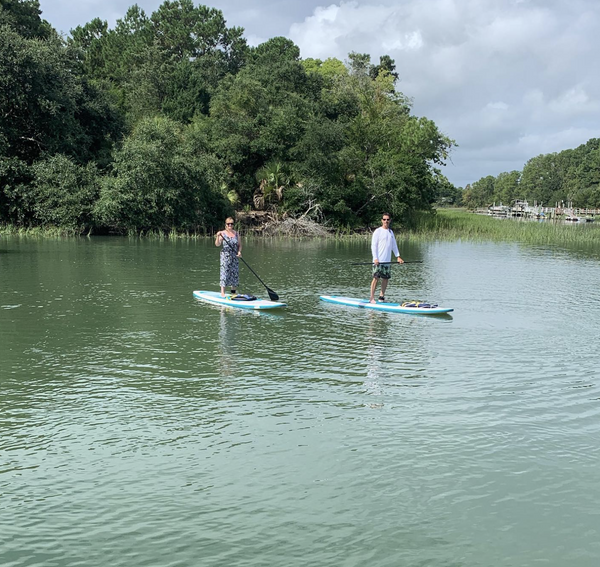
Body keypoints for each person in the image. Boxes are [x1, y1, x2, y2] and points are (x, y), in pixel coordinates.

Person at [369, 213, 403, 303]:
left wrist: (398, 257)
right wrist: (375, 258)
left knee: (385, 278)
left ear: (390, 220)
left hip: (387, 261)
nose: (386, 221)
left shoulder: (391, 232)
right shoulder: (378, 231)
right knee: (376, 278)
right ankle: (371, 298)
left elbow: (394, 246)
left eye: (387, 219)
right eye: (384, 219)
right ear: (382, 220)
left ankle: (381, 297)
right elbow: (373, 246)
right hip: (378, 261)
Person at [215, 217, 242, 297]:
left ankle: (233, 292)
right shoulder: (222, 233)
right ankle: (222, 292)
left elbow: (239, 245)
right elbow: (217, 244)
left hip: (234, 256)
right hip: (225, 256)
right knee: (225, 273)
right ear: (226, 225)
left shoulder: (236, 233)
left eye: (232, 224)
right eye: (228, 224)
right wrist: (217, 236)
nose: (230, 225)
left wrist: (239, 251)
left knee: (234, 273)